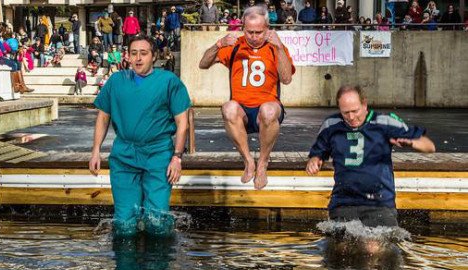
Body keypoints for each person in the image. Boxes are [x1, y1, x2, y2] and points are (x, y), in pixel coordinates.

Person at [89, 34, 191, 236]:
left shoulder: (169, 81)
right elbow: (103, 117)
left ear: (154, 56)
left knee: (157, 222)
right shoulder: (117, 81)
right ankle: (127, 266)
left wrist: (177, 157)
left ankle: (156, 265)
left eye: (143, 53)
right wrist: (95, 151)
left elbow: (182, 123)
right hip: (124, 155)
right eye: (133, 53)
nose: (138, 58)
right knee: (124, 223)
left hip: (159, 154)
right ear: (127, 56)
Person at [306, 85, 435, 227]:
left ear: (365, 104)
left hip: (378, 203)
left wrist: (410, 143)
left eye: (355, 111)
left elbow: (429, 146)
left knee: (375, 247)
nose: (351, 117)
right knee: (341, 246)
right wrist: (314, 160)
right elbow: (318, 153)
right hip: (343, 202)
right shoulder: (331, 125)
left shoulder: (384, 122)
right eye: (345, 113)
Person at [199, 6, 295, 189]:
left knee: (268, 109)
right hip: (242, 111)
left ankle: (263, 163)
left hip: (267, 111)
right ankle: (248, 161)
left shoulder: (276, 48)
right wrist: (219, 44)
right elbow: (203, 64)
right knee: (228, 107)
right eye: (249, 31)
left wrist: (280, 48)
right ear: (243, 28)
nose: (254, 36)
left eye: (259, 32)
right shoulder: (235, 45)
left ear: (267, 28)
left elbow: (286, 78)